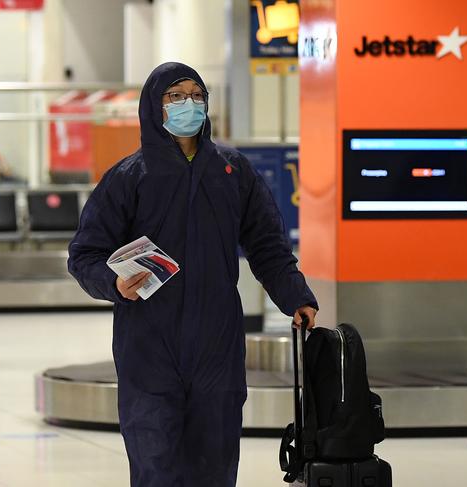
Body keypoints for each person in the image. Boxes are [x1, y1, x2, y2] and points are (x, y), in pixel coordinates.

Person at [68, 62, 318, 487]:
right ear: (154, 106)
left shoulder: (233, 172)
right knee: (154, 457)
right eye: (175, 95)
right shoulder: (128, 177)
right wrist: (113, 283)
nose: (189, 103)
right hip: (149, 341)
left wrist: (296, 296)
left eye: (196, 94)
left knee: (214, 459)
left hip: (215, 340)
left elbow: (268, 246)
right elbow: (85, 254)